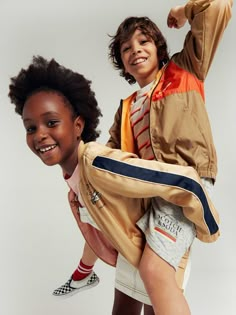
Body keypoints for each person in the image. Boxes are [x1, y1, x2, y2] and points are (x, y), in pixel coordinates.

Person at [9, 55, 220, 315]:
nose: (39, 134)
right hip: (132, 250)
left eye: (51, 123)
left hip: (158, 246)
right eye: (30, 128)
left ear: (78, 125)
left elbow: (179, 178)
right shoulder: (76, 185)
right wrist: (84, 270)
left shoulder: (97, 163)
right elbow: (99, 228)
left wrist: (208, 225)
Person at [105, 0, 232, 314]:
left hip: (181, 187)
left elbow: (219, 6)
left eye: (144, 41)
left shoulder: (184, 69)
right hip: (145, 199)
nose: (136, 49)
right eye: (126, 48)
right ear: (122, 63)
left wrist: (184, 10)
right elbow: (112, 161)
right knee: (129, 295)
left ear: (159, 47)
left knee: (154, 273)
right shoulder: (126, 108)